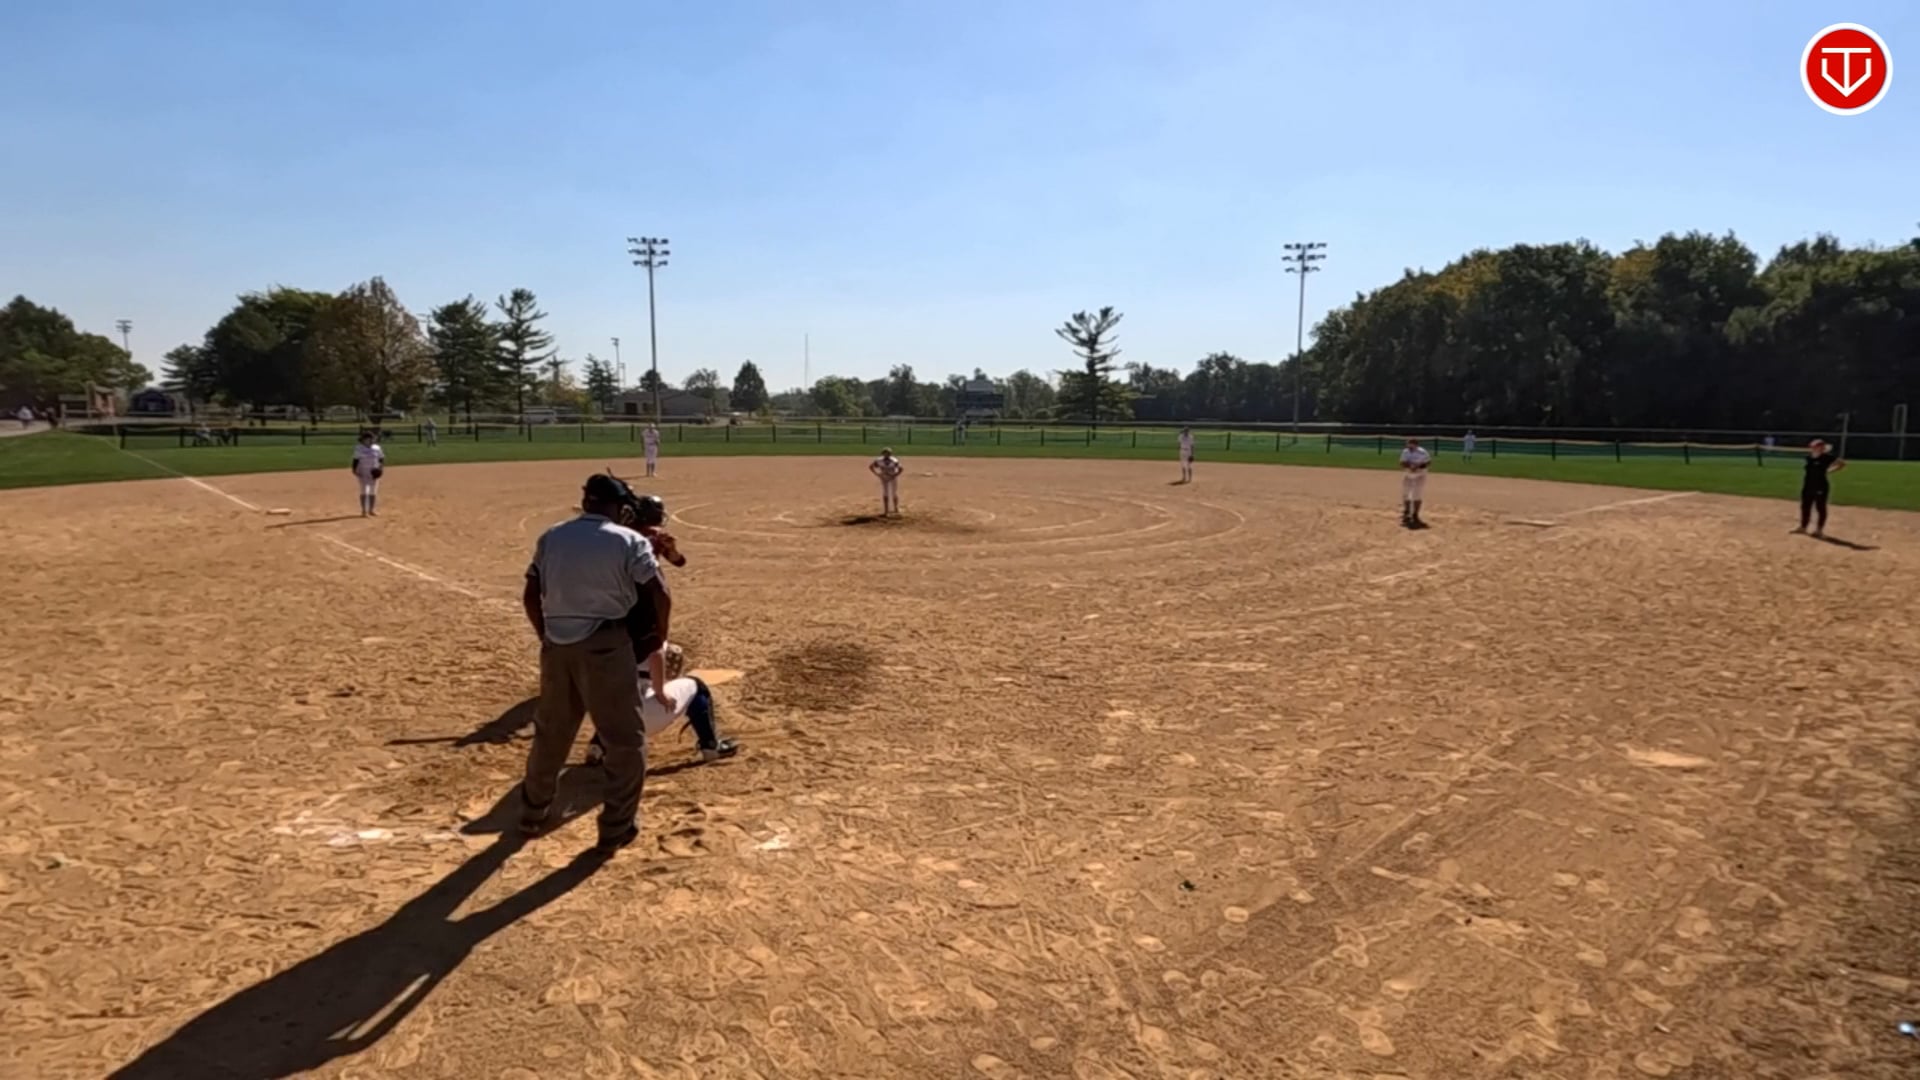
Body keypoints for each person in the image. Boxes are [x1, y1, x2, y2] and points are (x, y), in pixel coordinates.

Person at [519, 473, 671, 853]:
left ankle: (533, 811)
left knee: (552, 732)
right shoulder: (628, 539)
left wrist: (545, 635)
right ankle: (616, 827)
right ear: (617, 507)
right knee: (624, 739)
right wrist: (658, 636)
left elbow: (531, 594)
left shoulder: (552, 536)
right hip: (606, 644)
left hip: (557, 644)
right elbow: (660, 593)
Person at [1793, 438, 1846, 538]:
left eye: (1816, 446)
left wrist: (1830, 470)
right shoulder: (1808, 457)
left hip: (1820, 485)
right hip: (1807, 485)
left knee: (1820, 508)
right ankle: (1803, 527)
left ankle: (1819, 530)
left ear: (1821, 448)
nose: (1813, 448)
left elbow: (1842, 463)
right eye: (1812, 446)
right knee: (1805, 506)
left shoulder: (1827, 457)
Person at [1399, 437, 1431, 528]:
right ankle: (1407, 512)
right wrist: (1410, 466)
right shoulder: (1405, 452)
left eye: (1411, 444)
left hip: (1420, 476)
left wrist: (1418, 466)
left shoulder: (1422, 452)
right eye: (1408, 444)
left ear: (1416, 445)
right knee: (1405, 494)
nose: (1409, 446)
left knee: (1417, 495)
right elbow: (1402, 462)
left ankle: (1415, 514)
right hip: (1408, 475)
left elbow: (1428, 462)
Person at [351, 431, 385, 517]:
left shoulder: (377, 448)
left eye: (371, 439)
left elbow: (381, 458)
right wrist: (354, 470)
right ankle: (363, 511)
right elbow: (355, 460)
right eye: (368, 439)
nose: (370, 441)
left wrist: (380, 468)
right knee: (364, 491)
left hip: (374, 472)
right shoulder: (359, 448)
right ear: (363, 440)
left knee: (373, 492)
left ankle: (371, 510)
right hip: (363, 472)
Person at [870, 447, 904, 516]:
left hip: (892, 478)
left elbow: (901, 469)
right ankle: (886, 511)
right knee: (885, 493)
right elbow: (871, 467)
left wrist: (895, 475)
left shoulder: (894, 460)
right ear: (882, 454)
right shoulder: (879, 460)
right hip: (884, 478)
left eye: (888, 453)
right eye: (885, 453)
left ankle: (896, 508)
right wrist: (878, 474)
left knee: (894, 493)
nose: (887, 455)